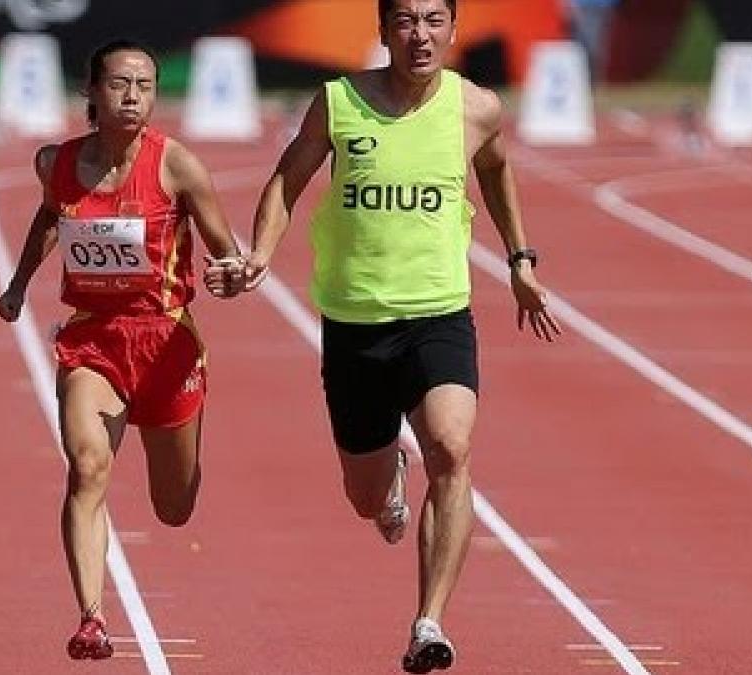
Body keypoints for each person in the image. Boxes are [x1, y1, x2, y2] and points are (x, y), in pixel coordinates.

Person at [208, 0, 559, 671]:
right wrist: (258, 253)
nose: (419, 34)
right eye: (405, 20)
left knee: (453, 449)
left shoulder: (477, 108)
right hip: (355, 322)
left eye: (433, 20)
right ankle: (387, 479)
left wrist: (520, 259)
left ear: (453, 29)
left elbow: (496, 169)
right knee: (365, 496)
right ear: (384, 31)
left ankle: (428, 621)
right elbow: (288, 176)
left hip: (438, 312)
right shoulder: (339, 101)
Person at [0, 38, 247, 660]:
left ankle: (183, 437)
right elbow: (50, 217)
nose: (133, 96)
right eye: (119, 84)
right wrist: (19, 284)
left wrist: (231, 273)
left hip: (166, 344)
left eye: (145, 86)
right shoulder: (55, 161)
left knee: (174, 507)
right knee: (87, 467)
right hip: (93, 339)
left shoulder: (177, 166)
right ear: (92, 92)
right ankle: (92, 618)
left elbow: (228, 252)